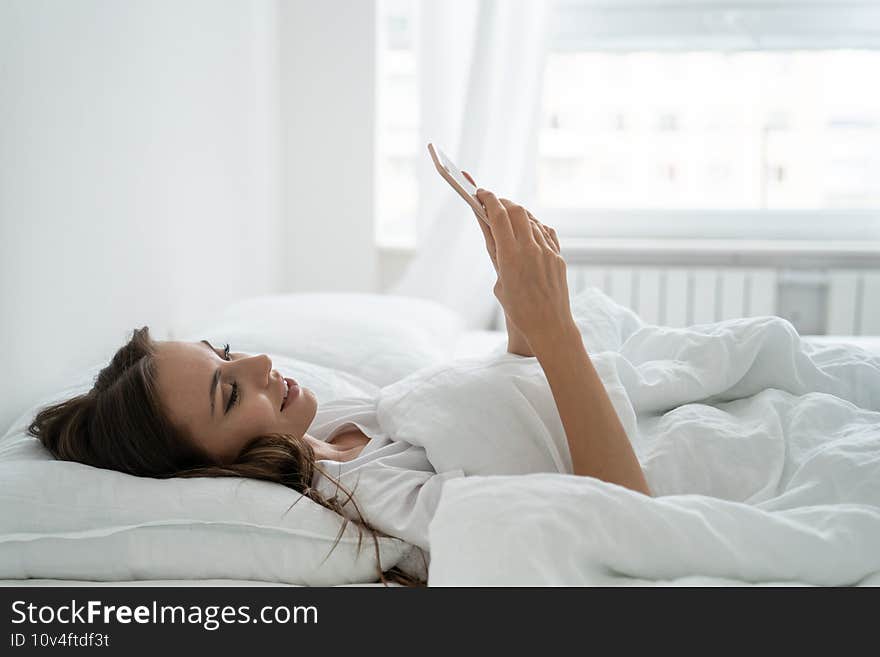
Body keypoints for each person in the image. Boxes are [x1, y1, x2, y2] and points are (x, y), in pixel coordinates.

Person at [27, 183, 650, 587]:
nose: (262, 363)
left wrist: (522, 318)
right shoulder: (372, 498)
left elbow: (506, 422)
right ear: (215, 468)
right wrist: (558, 333)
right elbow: (620, 527)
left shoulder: (330, 424)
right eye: (230, 393)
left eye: (225, 353)